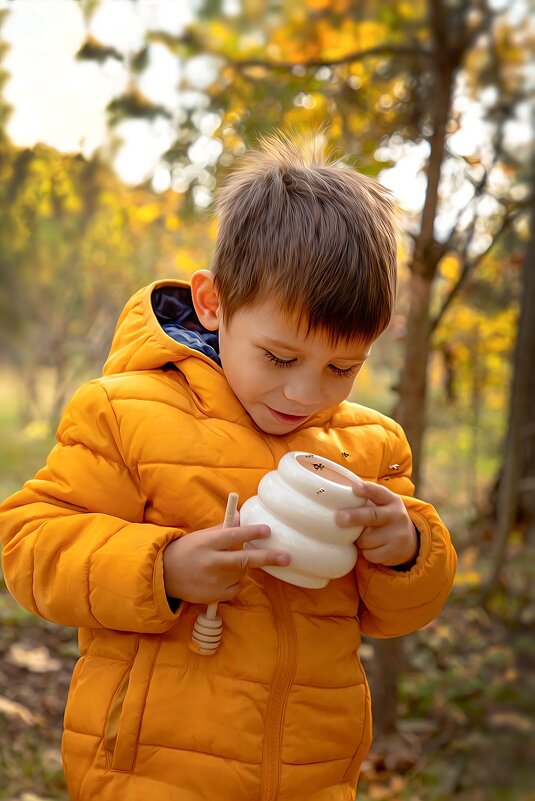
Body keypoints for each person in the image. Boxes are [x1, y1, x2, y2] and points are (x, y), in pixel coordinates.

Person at [0, 131, 456, 801]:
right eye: (278, 357)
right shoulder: (126, 411)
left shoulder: (370, 447)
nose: (304, 394)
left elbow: (397, 612)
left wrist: (406, 548)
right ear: (213, 304)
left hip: (311, 776)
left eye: (341, 368)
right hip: (151, 775)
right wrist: (165, 568)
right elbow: (27, 542)